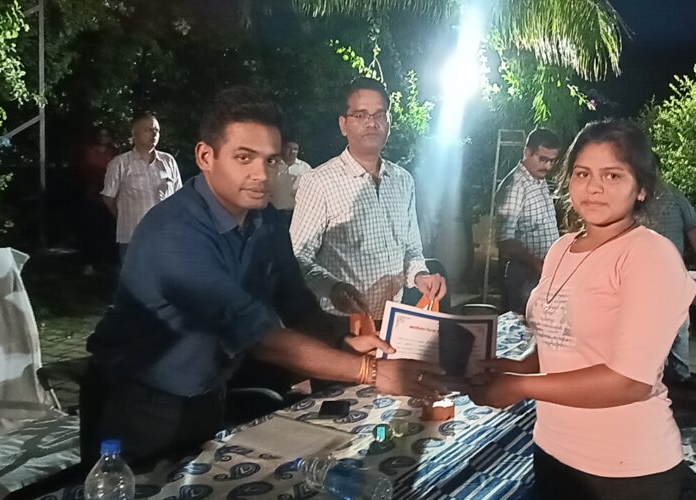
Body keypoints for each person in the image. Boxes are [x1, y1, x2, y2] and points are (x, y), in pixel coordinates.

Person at [80, 87, 444, 469]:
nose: (260, 174)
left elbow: (295, 302)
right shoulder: (174, 232)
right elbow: (258, 336)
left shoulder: (265, 221)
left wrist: (343, 341)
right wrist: (371, 372)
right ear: (205, 156)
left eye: (270, 161)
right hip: (136, 401)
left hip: (208, 392)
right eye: (244, 158)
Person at [470, 119, 696, 500]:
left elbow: (630, 380)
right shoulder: (561, 249)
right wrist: (517, 366)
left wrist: (520, 387)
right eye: (583, 173)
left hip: (624, 469)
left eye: (613, 175)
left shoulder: (648, 255)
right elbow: (560, 341)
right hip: (553, 449)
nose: (594, 187)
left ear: (641, 188)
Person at [291, 77, 445, 321]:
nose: (372, 123)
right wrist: (333, 287)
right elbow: (298, 257)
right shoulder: (319, 182)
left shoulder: (402, 181)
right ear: (343, 125)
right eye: (361, 115)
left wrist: (420, 276)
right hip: (341, 322)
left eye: (379, 115)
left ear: (388, 122)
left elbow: (412, 250)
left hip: (392, 318)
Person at [637, 157, 696, 387]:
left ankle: (680, 374)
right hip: (638, 274)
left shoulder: (674, 196)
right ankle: (647, 373)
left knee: (680, 325)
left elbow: (693, 227)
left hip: (671, 272)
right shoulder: (630, 198)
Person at [495, 128, 562, 314]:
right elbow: (505, 241)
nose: (547, 166)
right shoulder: (515, 186)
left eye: (552, 161)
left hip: (543, 273)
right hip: (524, 276)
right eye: (543, 159)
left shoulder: (538, 180)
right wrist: (536, 264)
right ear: (527, 153)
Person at [101, 112, 182, 263]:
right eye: (148, 130)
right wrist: (124, 215)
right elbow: (108, 198)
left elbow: (178, 197)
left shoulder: (168, 161)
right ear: (135, 133)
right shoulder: (120, 163)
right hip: (134, 237)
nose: (154, 134)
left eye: (157, 130)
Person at [75, 127, 117, 274]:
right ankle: (88, 262)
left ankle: (110, 260)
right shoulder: (88, 152)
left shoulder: (112, 153)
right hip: (92, 193)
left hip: (110, 195)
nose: (103, 137)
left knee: (109, 227)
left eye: (106, 135)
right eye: (100, 135)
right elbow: (83, 171)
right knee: (90, 227)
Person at [269, 139, 312, 226]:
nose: (292, 152)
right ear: (282, 148)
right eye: (289, 148)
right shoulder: (273, 165)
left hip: (295, 214)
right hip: (271, 213)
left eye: (295, 149)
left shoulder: (305, 168)